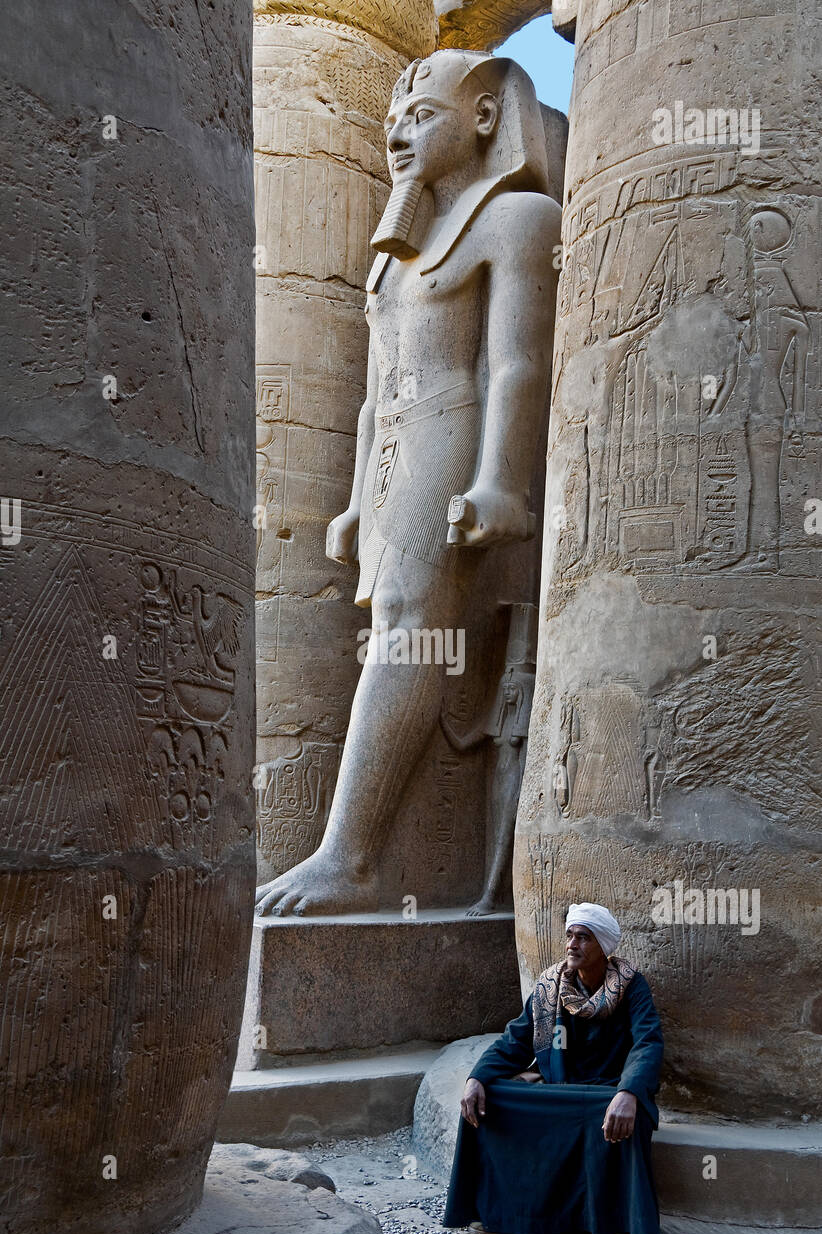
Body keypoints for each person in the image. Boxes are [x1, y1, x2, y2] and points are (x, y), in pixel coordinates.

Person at [255, 49, 560, 918]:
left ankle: (350, 858)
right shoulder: (399, 254)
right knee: (394, 629)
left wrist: (502, 479)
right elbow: (372, 387)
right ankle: (351, 853)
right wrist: (354, 497)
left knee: (407, 631)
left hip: (452, 437)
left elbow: (516, 365)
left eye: (421, 115)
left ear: (486, 119)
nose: (398, 134)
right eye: (393, 120)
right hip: (393, 447)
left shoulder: (519, 220)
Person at [443, 903, 663, 1234]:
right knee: (489, 1098)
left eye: (583, 937)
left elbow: (648, 1043)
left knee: (623, 1115)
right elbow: (514, 1042)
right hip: (558, 1091)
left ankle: (619, 1230)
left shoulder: (631, 986)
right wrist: (476, 1078)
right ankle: (505, 1215)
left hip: (606, 1094)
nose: (572, 945)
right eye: (570, 936)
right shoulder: (550, 987)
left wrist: (628, 1093)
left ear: (603, 947)